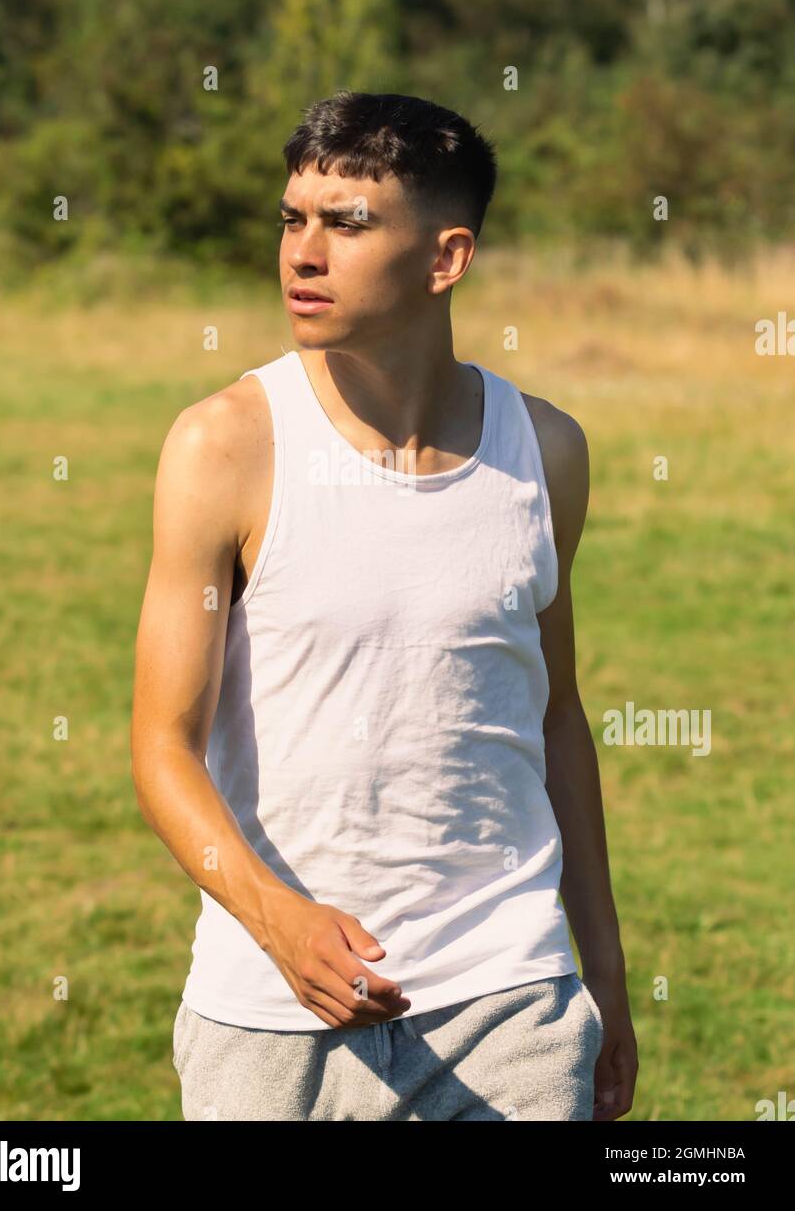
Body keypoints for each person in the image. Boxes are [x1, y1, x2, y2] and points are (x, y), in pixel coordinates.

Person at [130, 90, 639, 1121]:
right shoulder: (222, 446)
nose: (301, 254)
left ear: (444, 258)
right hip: (270, 1018)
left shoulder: (544, 452)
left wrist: (604, 983)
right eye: (291, 219)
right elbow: (160, 745)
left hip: (509, 1004)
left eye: (347, 223)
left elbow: (553, 718)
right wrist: (276, 923)